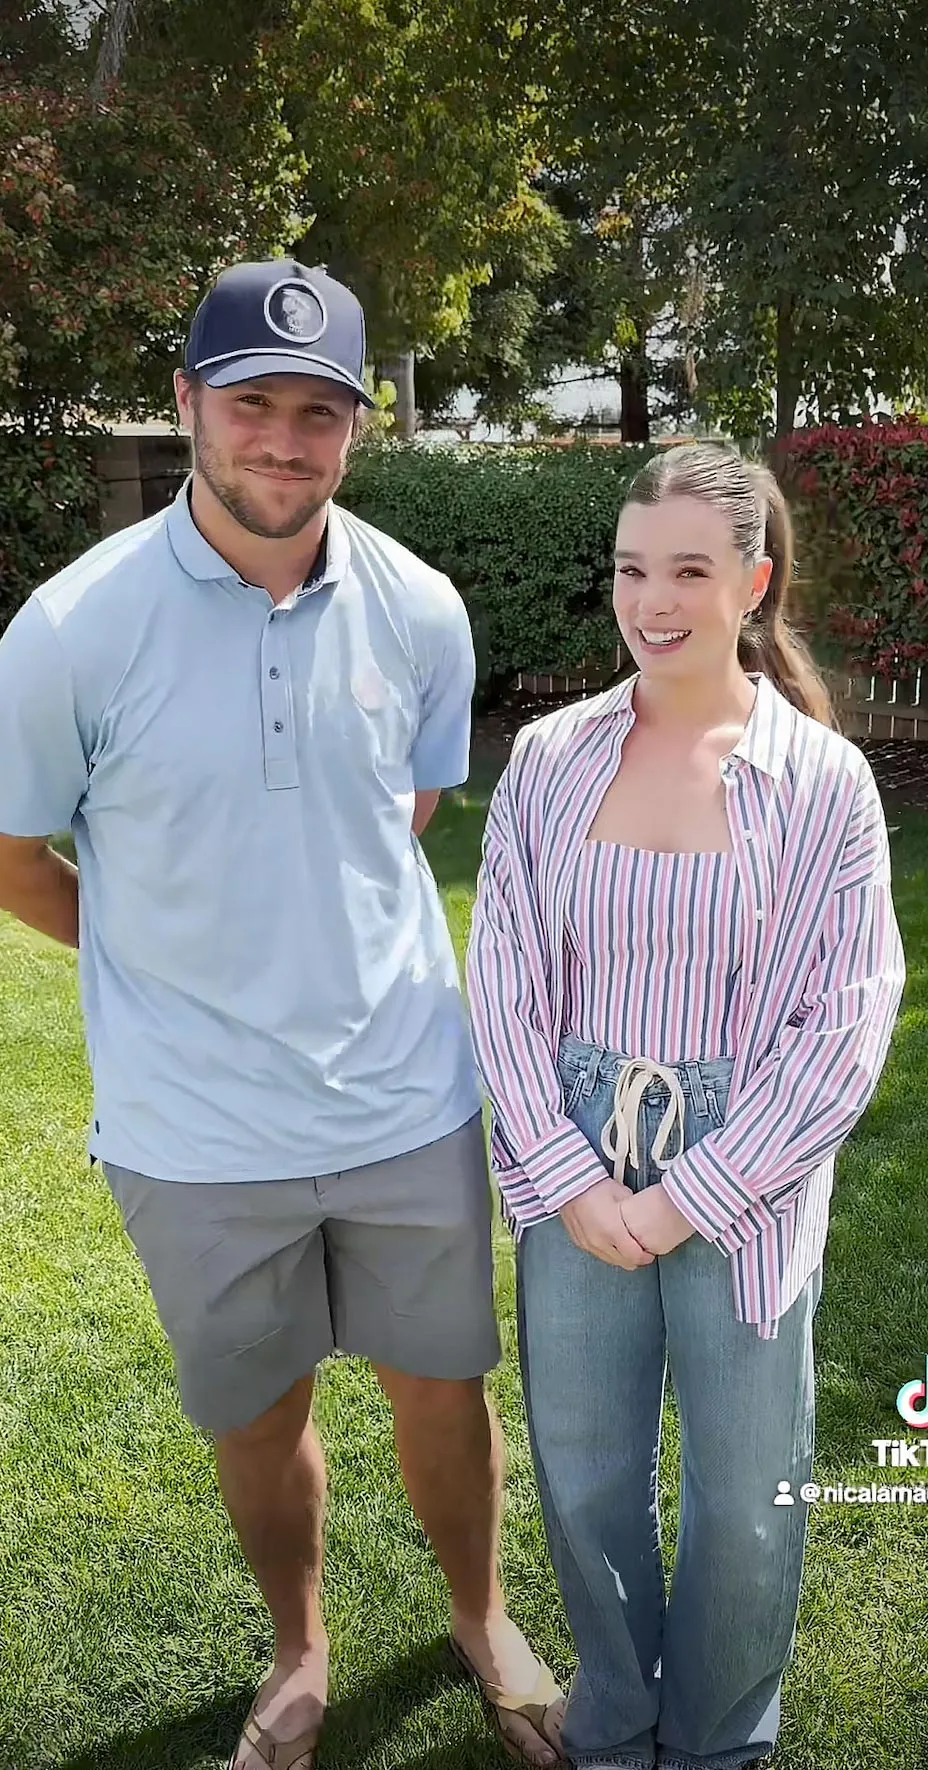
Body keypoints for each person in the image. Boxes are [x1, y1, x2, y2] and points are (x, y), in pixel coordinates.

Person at [0, 258, 566, 1770]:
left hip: (405, 1097)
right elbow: (15, 857)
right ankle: (301, 1648)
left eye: (320, 410)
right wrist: (161, 973)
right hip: (194, 1133)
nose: (285, 439)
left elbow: (410, 811)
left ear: (355, 430)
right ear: (188, 404)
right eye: (253, 401)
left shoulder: (424, 606)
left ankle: (481, 1614)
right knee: (257, 1415)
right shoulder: (67, 632)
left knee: (444, 1388)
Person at [465, 442, 906, 1770]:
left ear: (752, 581)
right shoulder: (549, 758)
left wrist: (688, 1196)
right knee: (589, 1475)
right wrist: (567, 1171)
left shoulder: (825, 786)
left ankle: (715, 1739)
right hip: (573, 1164)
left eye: (689, 570)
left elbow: (847, 1022)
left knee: (745, 1500)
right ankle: (618, 1715)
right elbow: (500, 975)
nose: (651, 599)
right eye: (632, 567)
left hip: (746, 1178)